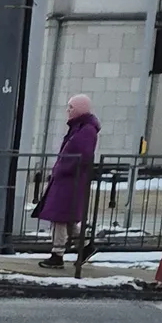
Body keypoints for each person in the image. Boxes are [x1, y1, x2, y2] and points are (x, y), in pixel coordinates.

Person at [38, 96, 100, 266]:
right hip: (68, 179)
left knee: (59, 216)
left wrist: (63, 169)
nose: (68, 110)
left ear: (80, 109)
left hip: (69, 180)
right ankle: (85, 246)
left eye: (71, 107)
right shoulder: (80, 128)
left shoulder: (85, 130)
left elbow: (82, 156)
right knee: (67, 217)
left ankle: (57, 254)